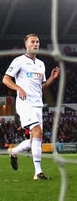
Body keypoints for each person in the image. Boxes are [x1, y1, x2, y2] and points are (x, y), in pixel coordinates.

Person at [3, 33, 60, 180]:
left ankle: (14, 151)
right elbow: (5, 79)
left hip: (38, 104)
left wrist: (52, 79)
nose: (36, 44)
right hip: (25, 104)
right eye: (33, 42)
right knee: (37, 132)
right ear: (26, 45)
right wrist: (18, 88)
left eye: (37, 42)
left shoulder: (41, 64)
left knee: (35, 139)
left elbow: (42, 87)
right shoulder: (19, 61)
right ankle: (38, 172)